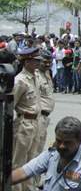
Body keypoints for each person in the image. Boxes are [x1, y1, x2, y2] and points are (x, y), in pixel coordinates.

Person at [11, 116, 81, 190]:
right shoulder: (52, 154)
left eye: (67, 143)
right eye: (59, 140)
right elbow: (24, 172)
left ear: (79, 140)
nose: (61, 146)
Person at [12, 47, 42, 191]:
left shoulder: (35, 76)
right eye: (35, 61)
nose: (38, 63)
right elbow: (13, 104)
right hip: (24, 124)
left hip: (36, 122)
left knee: (32, 161)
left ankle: (29, 189)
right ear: (27, 62)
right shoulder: (20, 81)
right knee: (18, 162)